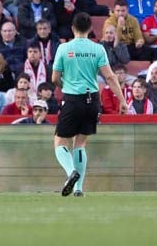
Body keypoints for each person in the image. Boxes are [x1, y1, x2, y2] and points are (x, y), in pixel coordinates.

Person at [51, 12, 125, 197]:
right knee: (80, 143)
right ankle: (78, 189)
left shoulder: (63, 48)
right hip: (92, 100)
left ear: (72, 28)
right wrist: (122, 100)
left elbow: (54, 78)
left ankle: (71, 173)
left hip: (72, 99)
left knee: (60, 141)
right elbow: (109, 76)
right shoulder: (98, 49)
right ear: (91, 29)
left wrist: (66, 85)